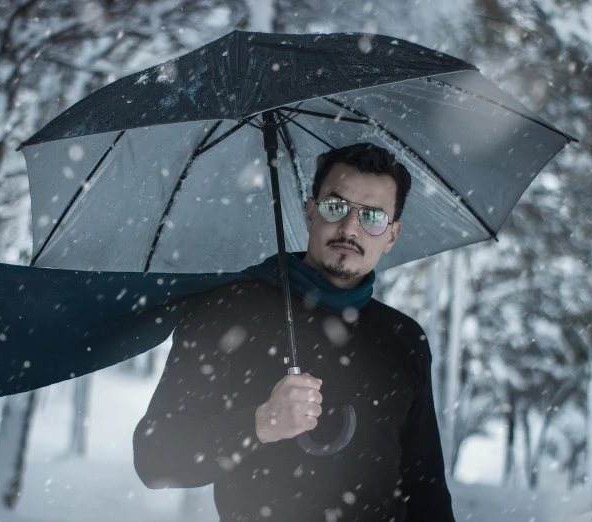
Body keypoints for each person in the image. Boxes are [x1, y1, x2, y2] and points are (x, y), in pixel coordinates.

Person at [133, 143, 455, 522]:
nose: (350, 229)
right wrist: (259, 423)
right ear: (309, 212)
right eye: (336, 207)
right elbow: (154, 458)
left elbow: (426, 488)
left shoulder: (403, 339)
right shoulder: (228, 311)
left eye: (373, 217)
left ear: (392, 235)